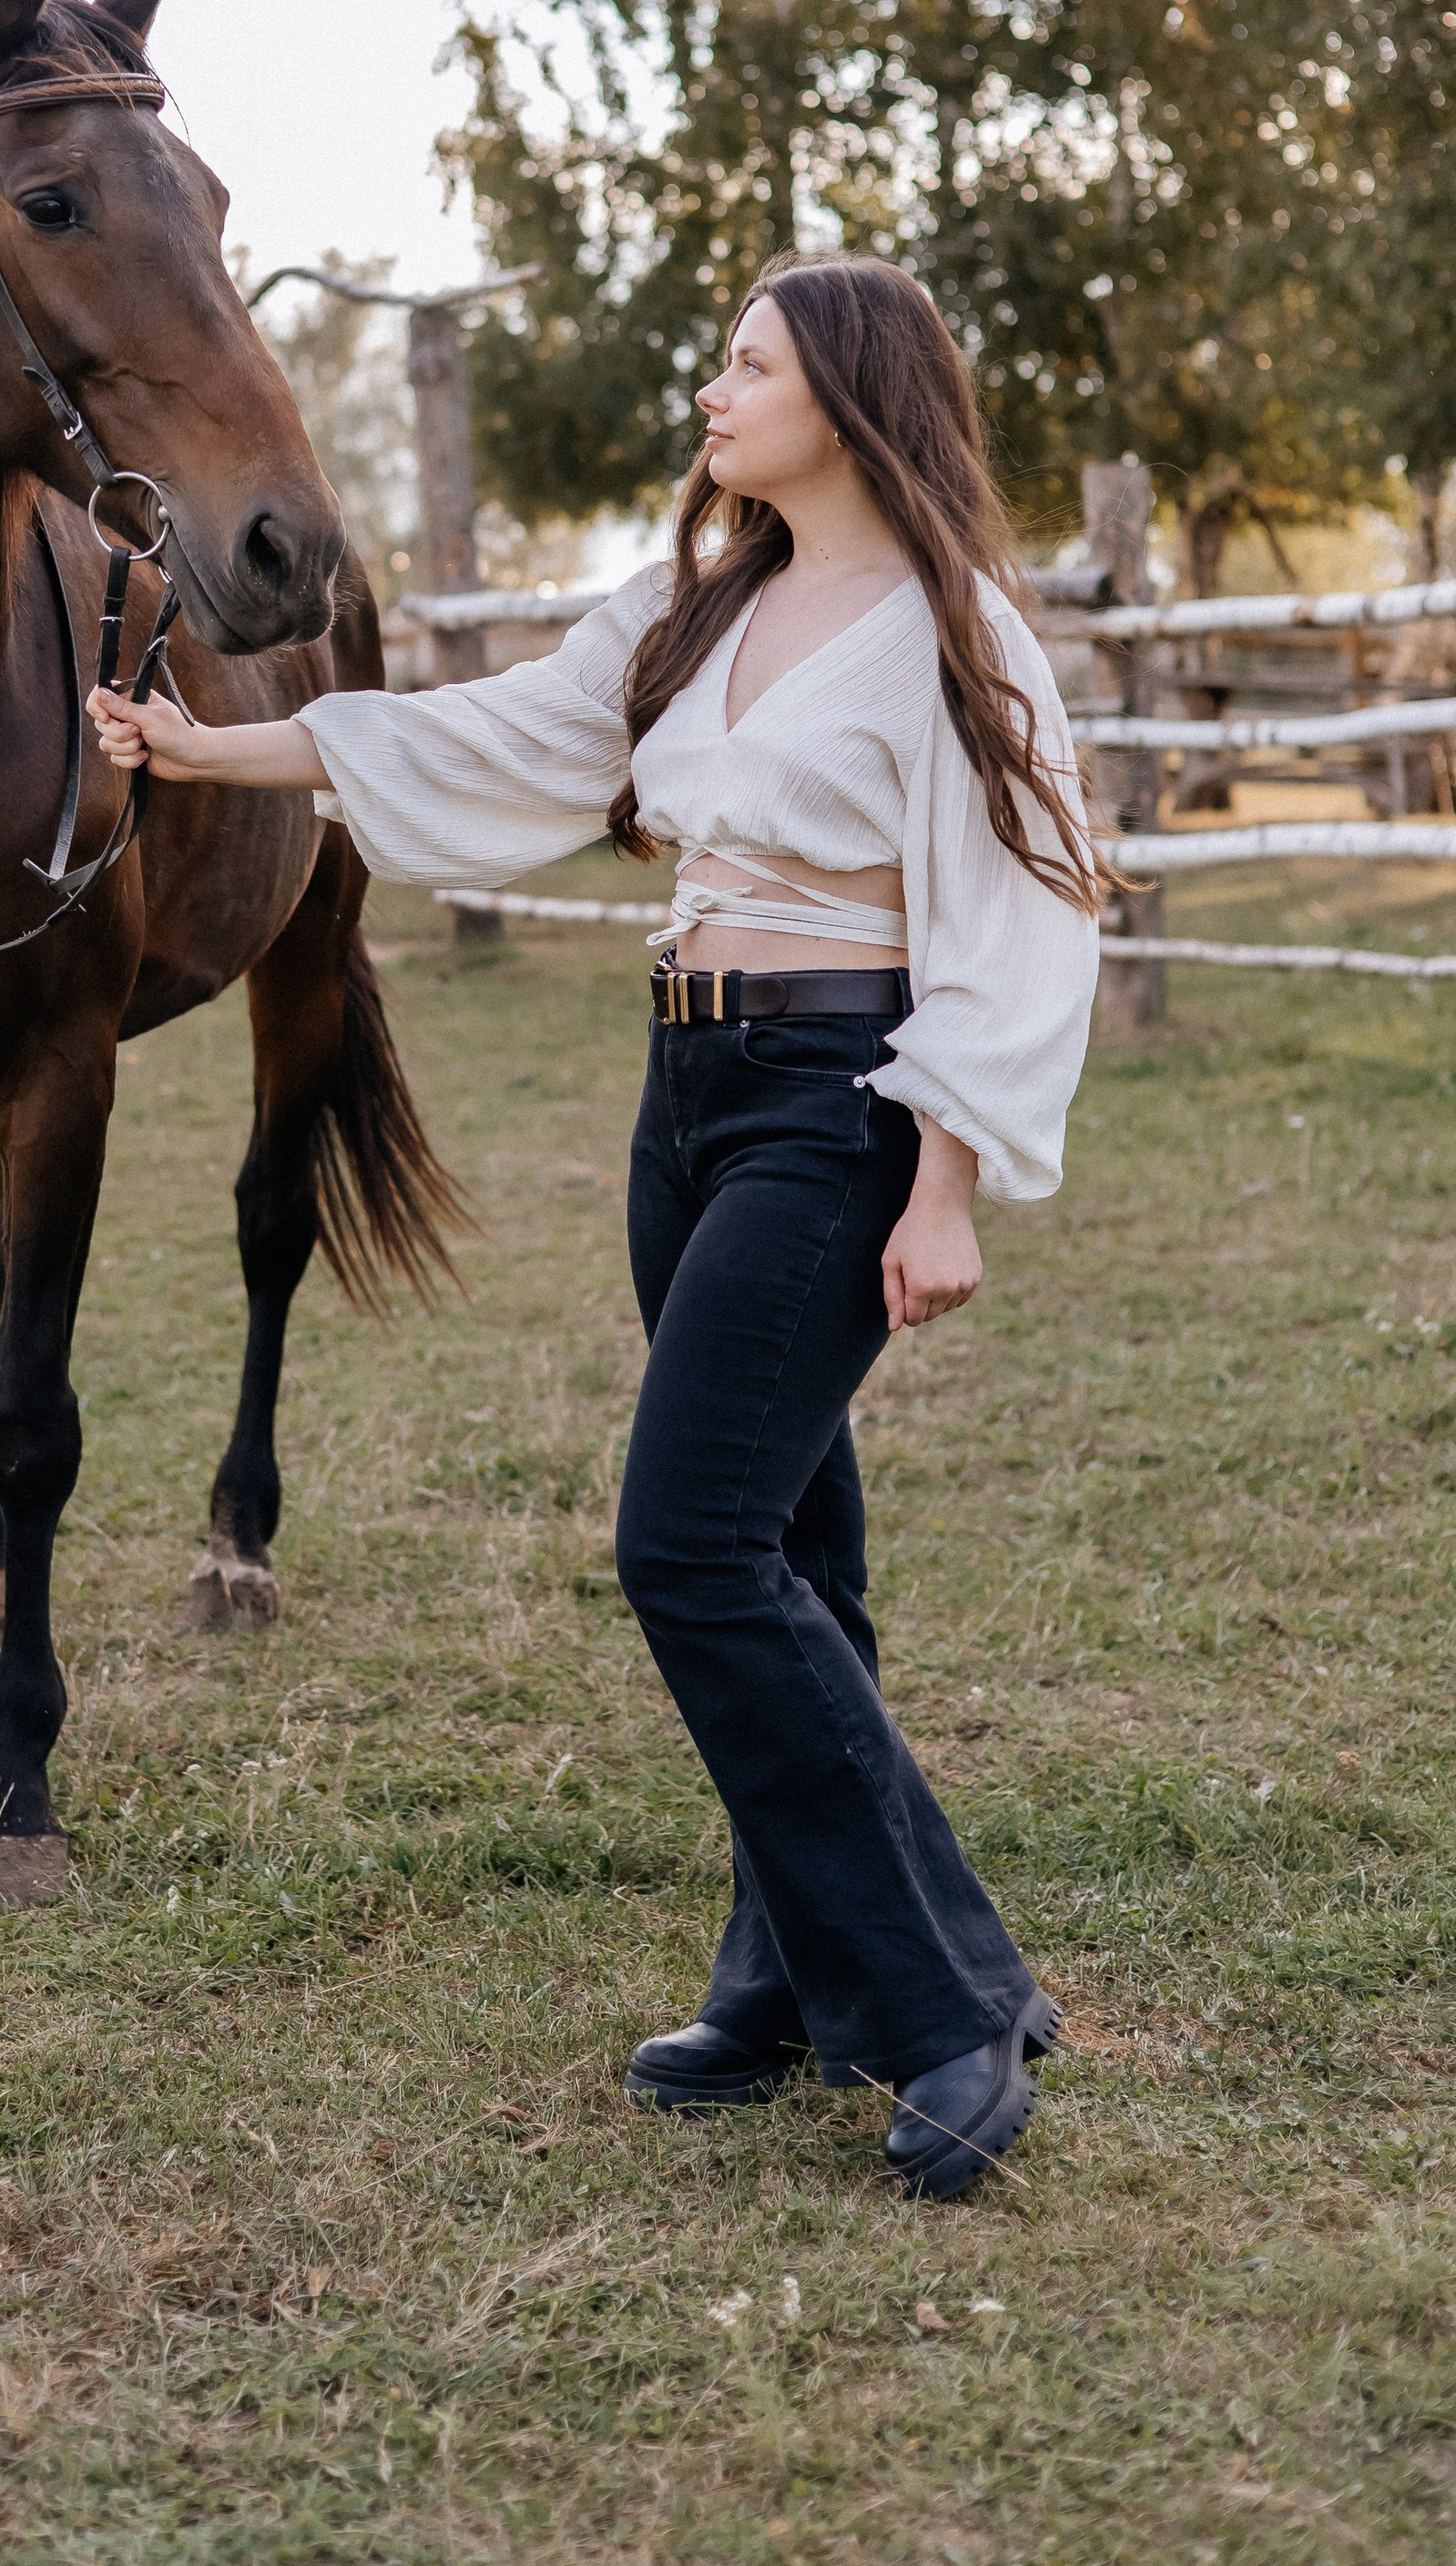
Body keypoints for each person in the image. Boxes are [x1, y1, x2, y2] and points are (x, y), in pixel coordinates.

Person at [88, 251, 1102, 2201]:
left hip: (839, 1102)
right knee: (792, 1546)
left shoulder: (955, 631)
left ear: (851, 393)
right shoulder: (690, 608)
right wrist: (212, 752)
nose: (711, 394)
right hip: (687, 1095)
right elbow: (489, 737)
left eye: (748, 364)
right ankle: (784, 1978)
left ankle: (943, 1995)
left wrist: (948, 1172)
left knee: (692, 1542)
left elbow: (1013, 899)